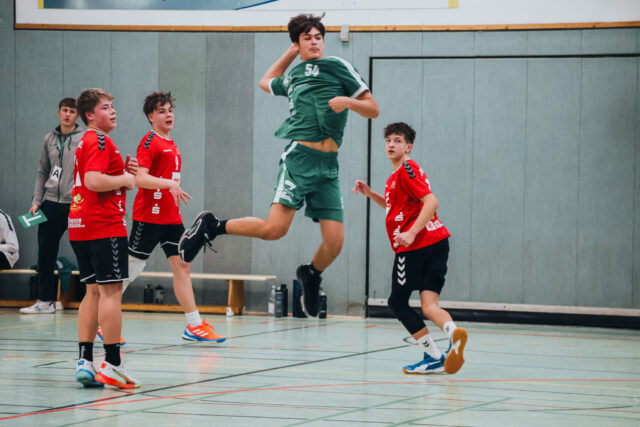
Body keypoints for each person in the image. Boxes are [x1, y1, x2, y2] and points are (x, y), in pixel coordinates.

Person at [179, 13, 379, 317]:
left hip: (328, 166)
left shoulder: (339, 67)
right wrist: (291, 52)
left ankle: (310, 273)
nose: (315, 42)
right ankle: (213, 225)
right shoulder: (294, 75)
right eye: (307, 38)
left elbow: (373, 109)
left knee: (335, 243)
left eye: (318, 37)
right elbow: (265, 81)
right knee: (274, 230)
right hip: (299, 159)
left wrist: (348, 102)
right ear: (297, 44)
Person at [352, 122, 468, 375]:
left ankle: (433, 355)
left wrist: (412, 232)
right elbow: (397, 208)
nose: (391, 144)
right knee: (429, 305)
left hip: (416, 246)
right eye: (388, 140)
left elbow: (431, 202)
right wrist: (370, 194)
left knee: (397, 301)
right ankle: (453, 334)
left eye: (397, 140)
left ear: (408, 147)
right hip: (437, 242)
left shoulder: (406, 169)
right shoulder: (396, 177)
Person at [121, 91, 224, 342]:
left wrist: (170, 186)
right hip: (149, 217)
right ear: (151, 117)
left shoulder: (170, 143)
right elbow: (140, 178)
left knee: (182, 266)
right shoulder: (150, 142)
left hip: (171, 219)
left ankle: (194, 325)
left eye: (170, 110)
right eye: (162, 111)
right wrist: (168, 184)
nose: (168, 115)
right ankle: (103, 318)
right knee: (131, 269)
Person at [70, 88, 141, 389]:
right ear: (90, 115)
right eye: (105, 107)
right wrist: (126, 179)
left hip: (80, 225)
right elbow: (93, 181)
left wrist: (122, 171)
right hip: (104, 227)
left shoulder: (85, 141)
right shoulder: (99, 139)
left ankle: (85, 361)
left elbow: (96, 177)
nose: (112, 111)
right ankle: (112, 364)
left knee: (92, 293)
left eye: (113, 106)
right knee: (111, 293)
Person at [20, 98, 84, 314]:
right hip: (50, 203)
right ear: (59, 113)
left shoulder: (84, 138)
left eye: (72, 111)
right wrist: (36, 201)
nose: (67, 114)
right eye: (64, 110)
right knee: (45, 254)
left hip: (74, 204)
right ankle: (45, 301)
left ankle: (92, 300)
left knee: (83, 251)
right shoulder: (49, 139)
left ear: (77, 115)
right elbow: (42, 172)